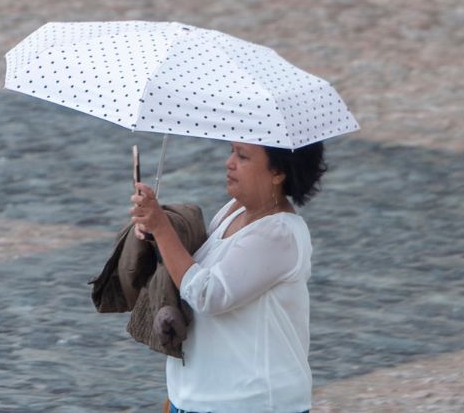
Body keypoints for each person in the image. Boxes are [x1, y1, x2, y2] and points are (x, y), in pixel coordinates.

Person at [130, 140, 328, 413]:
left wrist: (162, 229)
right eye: (231, 151)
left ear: (278, 172)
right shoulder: (233, 210)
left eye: (243, 156)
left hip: (252, 403)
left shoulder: (279, 233)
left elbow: (208, 294)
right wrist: (157, 234)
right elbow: (195, 269)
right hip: (195, 396)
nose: (229, 162)